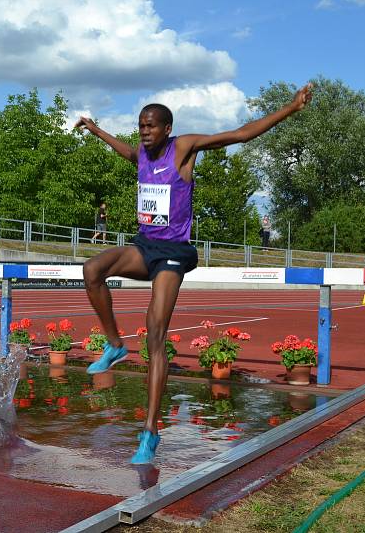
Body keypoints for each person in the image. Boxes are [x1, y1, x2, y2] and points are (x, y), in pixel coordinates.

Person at [74, 83, 313, 464]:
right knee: (92, 269)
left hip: (173, 252)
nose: (144, 132)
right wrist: (96, 129)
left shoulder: (183, 149)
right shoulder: (141, 156)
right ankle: (115, 344)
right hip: (144, 246)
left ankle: (150, 432)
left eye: (151, 126)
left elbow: (238, 134)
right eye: (140, 126)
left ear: (167, 128)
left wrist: (290, 108)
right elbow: (125, 151)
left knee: (155, 333)